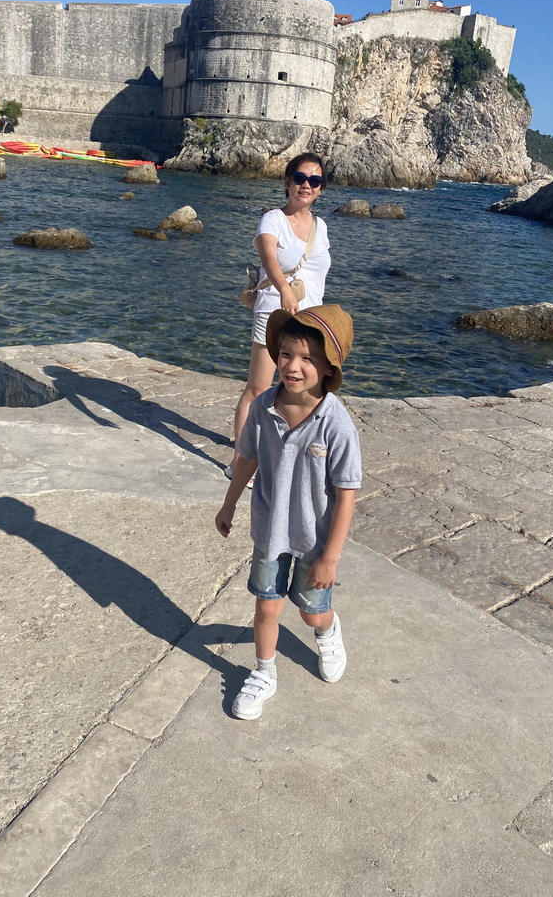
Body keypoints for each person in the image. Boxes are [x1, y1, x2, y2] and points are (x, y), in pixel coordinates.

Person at [215, 304, 361, 720]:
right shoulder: (262, 407)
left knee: (310, 610)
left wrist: (331, 556)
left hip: (315, 538)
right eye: (286, 354)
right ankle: (263, 673)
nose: (292, 366)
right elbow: (247, 458)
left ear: (328, 369)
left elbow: (346, 493)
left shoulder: (336, 424)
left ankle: (329, 632)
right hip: (270, 530)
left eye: (307, 359)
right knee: (267, 606)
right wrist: (228, 504)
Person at [226, 153, 331, 483]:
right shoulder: (272, 219)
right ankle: (240, 462)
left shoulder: (321, 226)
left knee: (302, 389)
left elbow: (319, 276)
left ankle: (293, 454)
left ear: (320, 189)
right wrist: (285, 289)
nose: (305, 185)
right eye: (299, 178)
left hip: (309, 320)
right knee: (258, 389)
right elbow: (267, 254)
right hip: (273, 311)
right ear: (287, 182)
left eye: (314, 181)